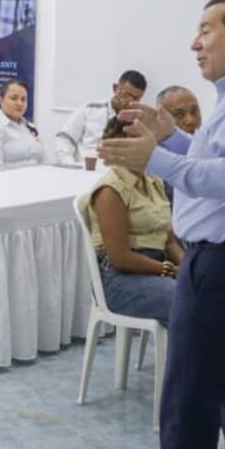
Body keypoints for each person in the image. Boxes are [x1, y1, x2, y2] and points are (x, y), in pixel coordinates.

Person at [98, 0, 225, 449]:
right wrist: (170, 141)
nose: (194, 43)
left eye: (206, 30)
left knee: (188, 403)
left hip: (217, 268)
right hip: (218, 263)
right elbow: (212, 164)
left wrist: (158, 159)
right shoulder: (223, 102)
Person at [81, 117, 181, 328]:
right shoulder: (110, 189)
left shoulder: (153, 180)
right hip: (119, 280)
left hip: (157, 268)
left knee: (212, 291)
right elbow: (121, 257)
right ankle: (191, 361)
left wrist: (187, 267)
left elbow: (169, 241)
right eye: (137, 140)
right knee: (186, 300)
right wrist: (168, 270)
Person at [55, 69, 147, 165]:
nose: (129, 101)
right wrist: (70, 165)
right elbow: (64, 138)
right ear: (115, 88)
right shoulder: (90, 109)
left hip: (117, 174)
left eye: (136, 98)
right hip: (84, 169)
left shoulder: (139, 123)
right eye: (126, 94)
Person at [0, 79, 43, 172]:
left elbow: (40, 160)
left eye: (23, 99)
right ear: (1, 99)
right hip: (8, 183)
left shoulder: (29, 127)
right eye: (13, 98)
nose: (19, 103)